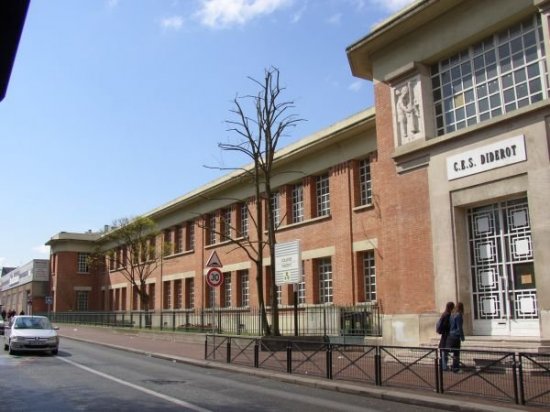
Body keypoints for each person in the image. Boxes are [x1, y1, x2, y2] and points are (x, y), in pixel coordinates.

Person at [446, 302, 465, 373]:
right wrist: (462, 337)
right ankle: (455, 368)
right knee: (456, 353)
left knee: (453, 352)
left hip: (450, 335)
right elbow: (459, 327)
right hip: (456, 336)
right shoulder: (459, 315)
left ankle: (453, 366)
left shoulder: (452, 314)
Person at [437, 301, 455, 371]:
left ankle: (444, 366)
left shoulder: (445, 314)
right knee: (444, 351)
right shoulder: (447, 315)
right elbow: (445, 325)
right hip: (445, 335)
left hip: (444, 335)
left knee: (444, 351)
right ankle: (444, 366)